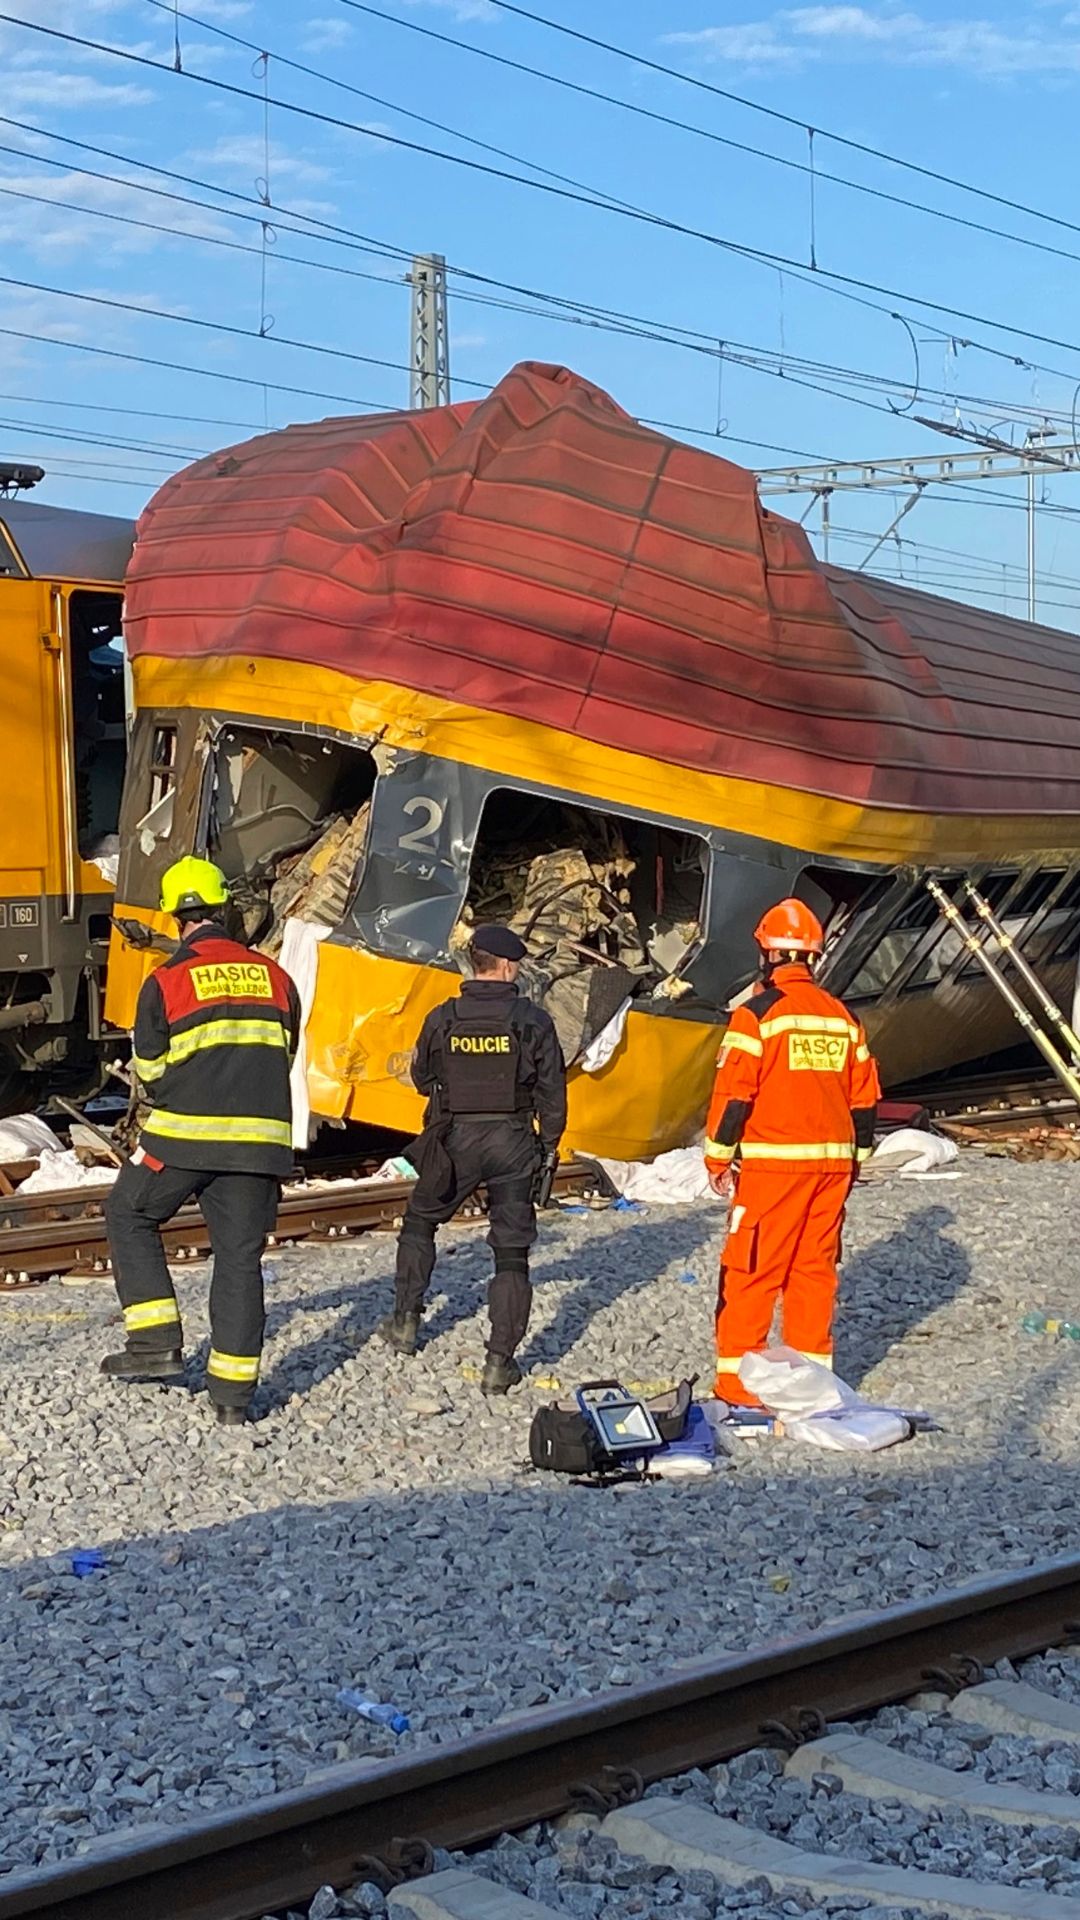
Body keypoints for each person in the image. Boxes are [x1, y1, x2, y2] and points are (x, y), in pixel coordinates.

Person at [101, 856, 300, 1426]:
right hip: (259, 1145)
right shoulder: (276, 977)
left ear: (172, 917)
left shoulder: (164, 982)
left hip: (182, 1140)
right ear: (222, 908)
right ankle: (233, 1401)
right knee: (240, 1260)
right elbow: (283, 1054)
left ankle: (156, 1343)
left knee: (129, 1212)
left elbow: (152, 1070)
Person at [703, 897, 880, 1407]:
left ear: (768, 953)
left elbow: (735, 1093)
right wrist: (856, 1161)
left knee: (752, 1268)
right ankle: (810, 1380)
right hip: (832, 1168)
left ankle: (738, 1387)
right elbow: (865, 1097)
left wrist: (718, 1157)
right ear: (812, 957)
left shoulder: (756, 1016)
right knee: (813, 1271)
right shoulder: (842, 1018)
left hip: (775, 1165)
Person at [379, 924, 567, 1395]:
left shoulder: (443, 1017)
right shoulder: (533, 1021)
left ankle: (405, 1322)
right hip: (513, 1141)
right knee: (510, 1252)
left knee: (420, 1223)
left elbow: (422, 1076)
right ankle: (499, 1362)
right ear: (505, 966)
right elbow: (552, 1095)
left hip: (454, 1140)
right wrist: (547, 1145)